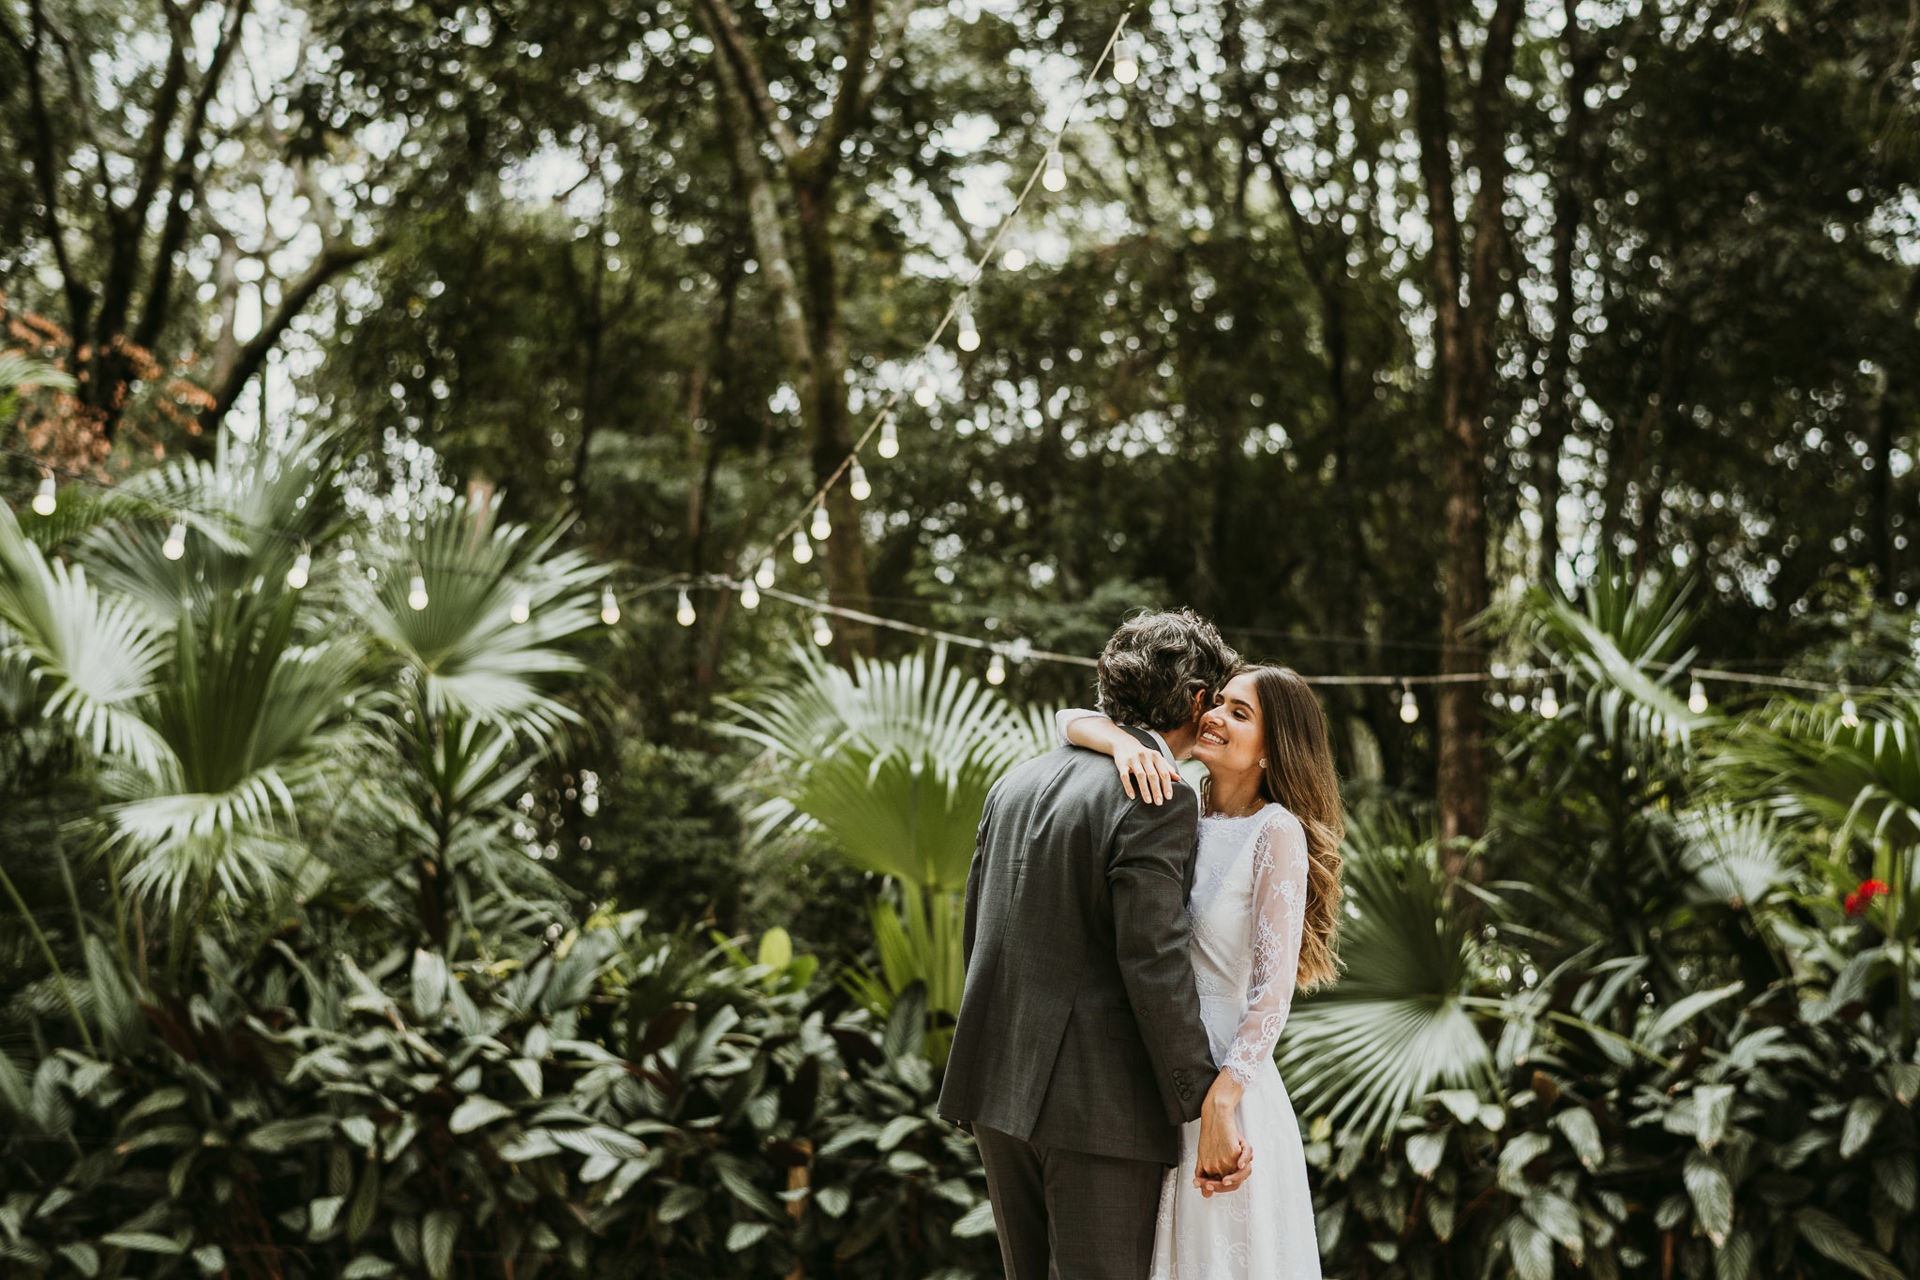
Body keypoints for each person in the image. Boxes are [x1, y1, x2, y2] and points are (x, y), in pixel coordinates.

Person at [938, 609, 1252, 1280]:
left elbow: (979, 928)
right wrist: (1199, 1099)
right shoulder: (1157, 795)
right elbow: (1153, 961)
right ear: (1197, 700)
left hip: (999, 1086)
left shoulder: (1015, 782)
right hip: (1098, 1110)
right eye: (1217, 699)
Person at [1058, 665, 1345, 1280]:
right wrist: (1123, 742)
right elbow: (1069, 722)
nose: (1212, 715)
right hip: (1159, 1074)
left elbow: (1270, 999)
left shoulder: (1277, 833)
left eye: (1240, 714)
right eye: (1218, 703)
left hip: (1225, 1089)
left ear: (1273, 749)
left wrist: (1220, 1106)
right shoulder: (1175, 796)